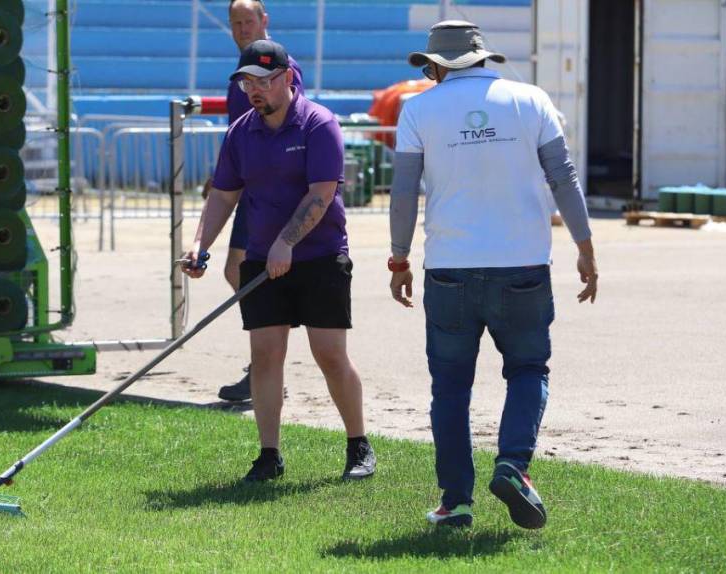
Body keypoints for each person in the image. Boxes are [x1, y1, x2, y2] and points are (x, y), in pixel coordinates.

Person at [388, 21, 599, 529]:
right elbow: (564, 179)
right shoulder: (532, 100)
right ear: (483, 57)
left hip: (449, 269)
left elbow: (402, 192)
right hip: (523, 264)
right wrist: (585, 249)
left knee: (451, 387)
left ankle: (456, 501)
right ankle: (513, 466)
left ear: (436, 66)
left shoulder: (417, 109)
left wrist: (398, 260)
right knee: (528, 370)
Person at [183, 39, 375, 482]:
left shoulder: (318, 124)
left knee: (330, 355)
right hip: (262, 258)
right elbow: (224, 194)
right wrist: (199, 244)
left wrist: (287, 243)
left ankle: (358, 444)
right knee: (266, 354)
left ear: (287, 78)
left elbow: (322, 193)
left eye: (265, 81)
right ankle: (269, 455)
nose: (255, 90)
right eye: (248, 81)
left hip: (320, 256)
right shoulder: (240, 133)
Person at [210, 0, 305, 403]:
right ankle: (265, 360)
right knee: (238, 271)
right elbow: (239, 132)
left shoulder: (282, 66)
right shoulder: (240, 73)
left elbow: (293, 119)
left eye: (249, 21)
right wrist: (220, 178)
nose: (242, 27)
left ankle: (266, 363)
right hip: (248, 185)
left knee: (244, 272)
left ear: (264, 21)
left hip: (270, 186)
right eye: (236, 22)